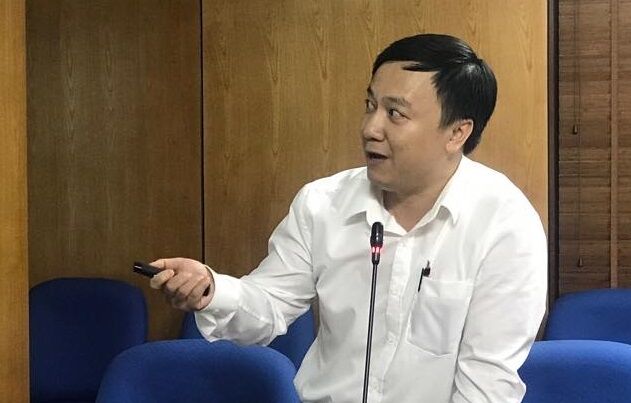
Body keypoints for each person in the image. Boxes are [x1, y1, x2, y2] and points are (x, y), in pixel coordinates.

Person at [149, 33, 547, 403]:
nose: (370, 128)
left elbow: (487, 384)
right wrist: (211, 290)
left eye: (395, 113)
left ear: (457, 133)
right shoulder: (322, 203)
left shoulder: (505, 225)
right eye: (371, 105)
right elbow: (269, 306)